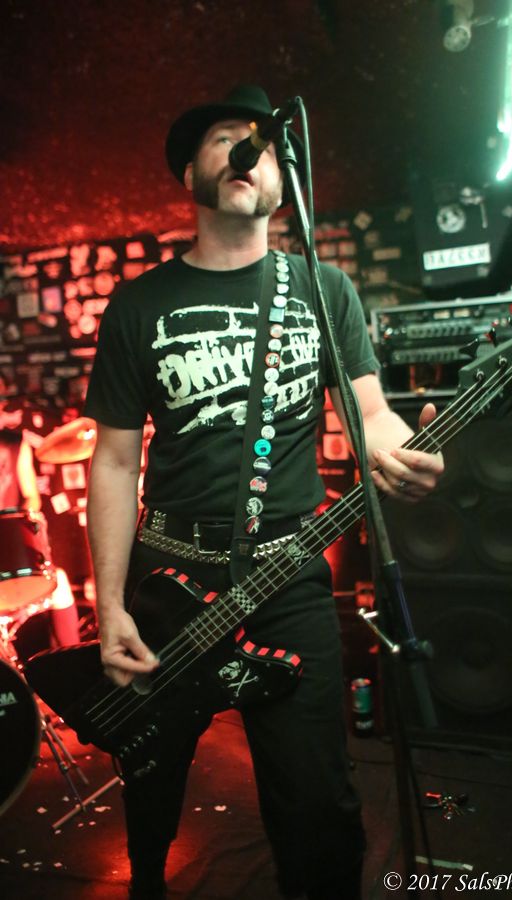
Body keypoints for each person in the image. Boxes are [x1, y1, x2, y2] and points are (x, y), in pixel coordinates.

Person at [84, 84, 444, 900]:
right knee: (152, 782)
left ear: (284, 184)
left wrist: (403, 452)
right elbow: (113, 462)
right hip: (169, 572)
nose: (247, 152)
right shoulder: (139, 303)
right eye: (224, 138)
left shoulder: (324, 289)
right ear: (190, 175)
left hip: (289, 577)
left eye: (265, 145)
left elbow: (372, 415)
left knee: (317, 804)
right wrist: (109, 606)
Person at [0, 376, 80, 649]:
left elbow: (31, 494)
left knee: (59, 584)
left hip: (9, 550)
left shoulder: (15, 443)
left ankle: (70, 659)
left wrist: (28, 517)